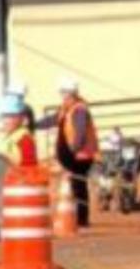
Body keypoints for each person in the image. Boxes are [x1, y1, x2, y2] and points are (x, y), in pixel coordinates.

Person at [39, 78, 97, 228]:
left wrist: (73, 150)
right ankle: (78, 217)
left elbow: (81, 131)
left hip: (80, 156)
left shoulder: (79, 110)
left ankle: (82, 220)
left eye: (64, 94)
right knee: (76, 185)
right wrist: (34, 124)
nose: (62, 97)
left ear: (70, 94)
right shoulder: (66, 109)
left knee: (79, 185)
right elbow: (52, 120)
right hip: (74, 155)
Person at [0, 93, 38, 168]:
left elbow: (30, 170)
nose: (6, 121)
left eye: (11, 116)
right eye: (4, 116)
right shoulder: (0, 136)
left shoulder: (25, 140)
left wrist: (6, 161)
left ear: (21, 118)